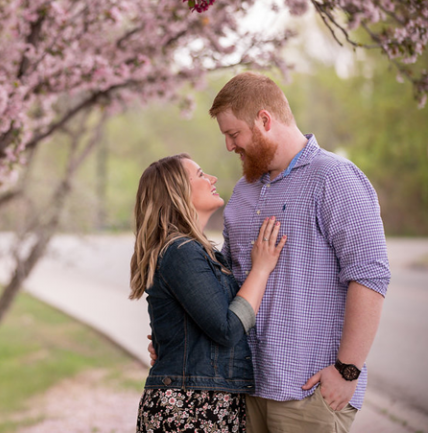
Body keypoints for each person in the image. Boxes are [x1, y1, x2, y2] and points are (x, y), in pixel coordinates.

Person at [205, 71, 389, 433]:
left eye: (233, 133)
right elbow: (228, 284)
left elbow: (369, 275)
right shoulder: (243, 192)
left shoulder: (334, 178)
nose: (229, 146)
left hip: (307, 392)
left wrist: (346, 370)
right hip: (247, 387)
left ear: (264, 120)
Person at [131, 154, 287, 432]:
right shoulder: (182, 252)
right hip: (190, 408)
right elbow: (226, 330)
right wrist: (261, 270)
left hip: (202, 401)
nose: (212, 179)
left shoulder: (197, 251)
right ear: (177, 191)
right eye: (201, 175)